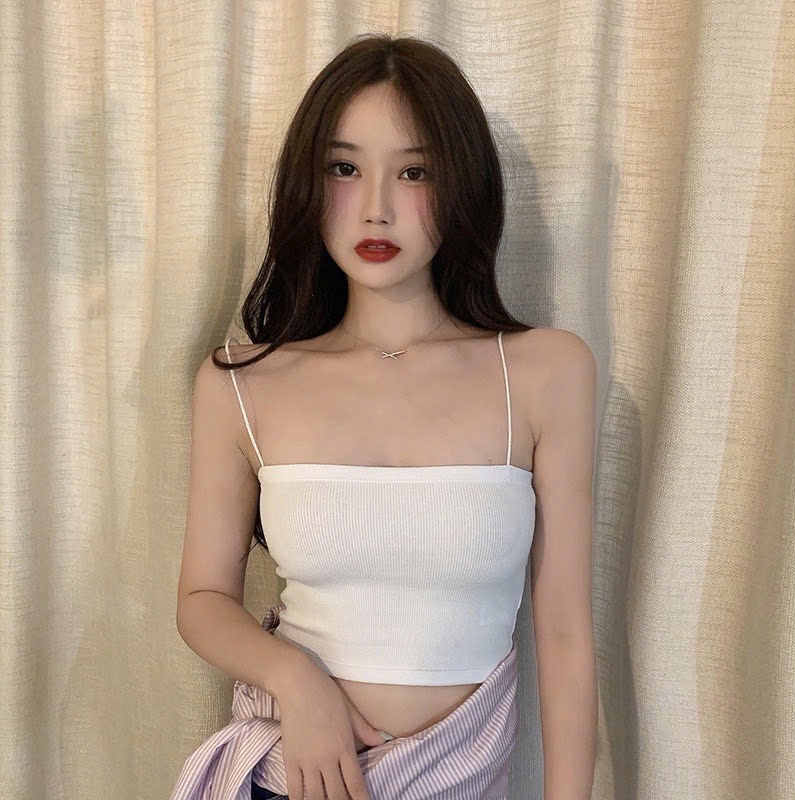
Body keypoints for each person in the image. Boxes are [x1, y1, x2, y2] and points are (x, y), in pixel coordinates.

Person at [172, 32, 597, 800]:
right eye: (344, 168)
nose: (376, 207)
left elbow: (565, 635)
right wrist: (294, 678)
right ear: (308, 184)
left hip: (463, 781)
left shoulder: (544, 373)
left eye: (414, 171)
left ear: (460, 183)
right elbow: (202, 600)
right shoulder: (241, 382)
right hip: (287, 780)